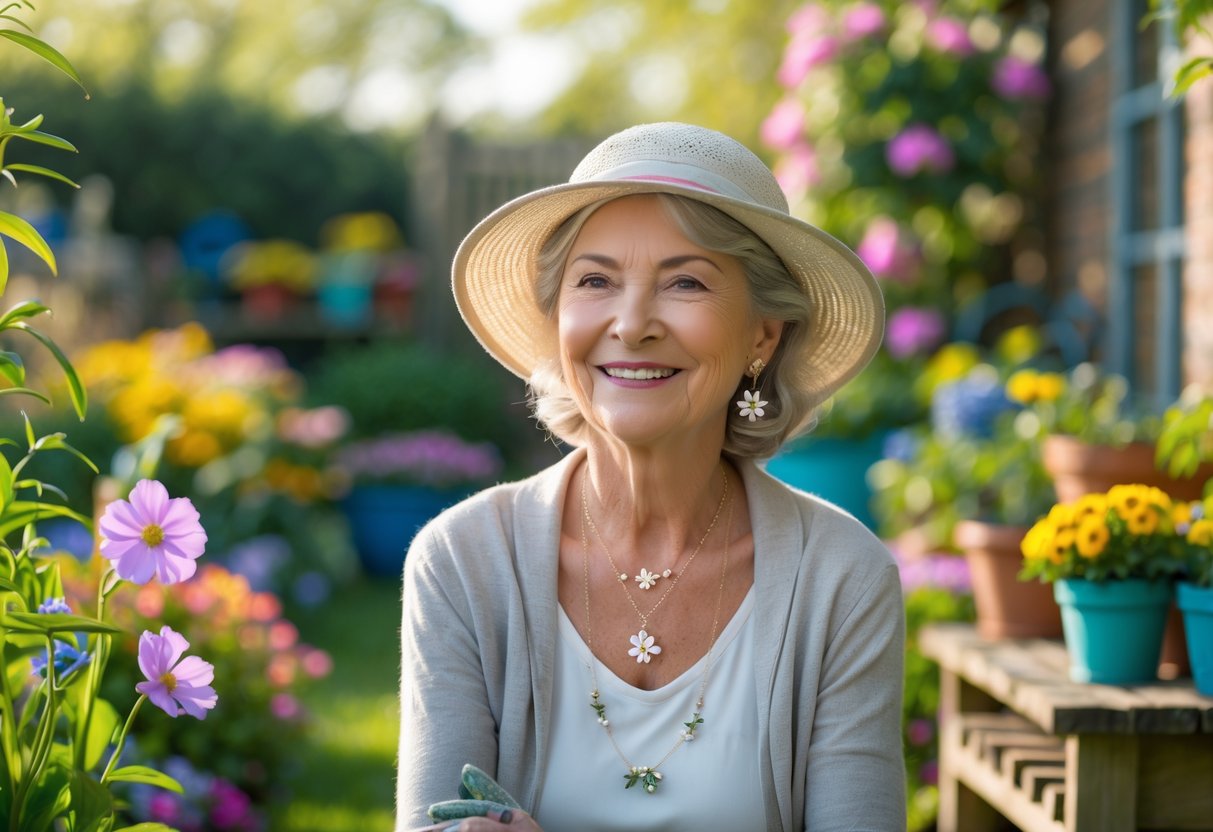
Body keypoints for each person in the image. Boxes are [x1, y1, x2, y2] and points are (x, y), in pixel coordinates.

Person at [397, 122, 905, 832]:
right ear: (557, 318)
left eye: (685, 282)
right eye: (596, 280)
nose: (631, 324)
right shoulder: (462, 562)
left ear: (763, 334)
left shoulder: (842, 579)